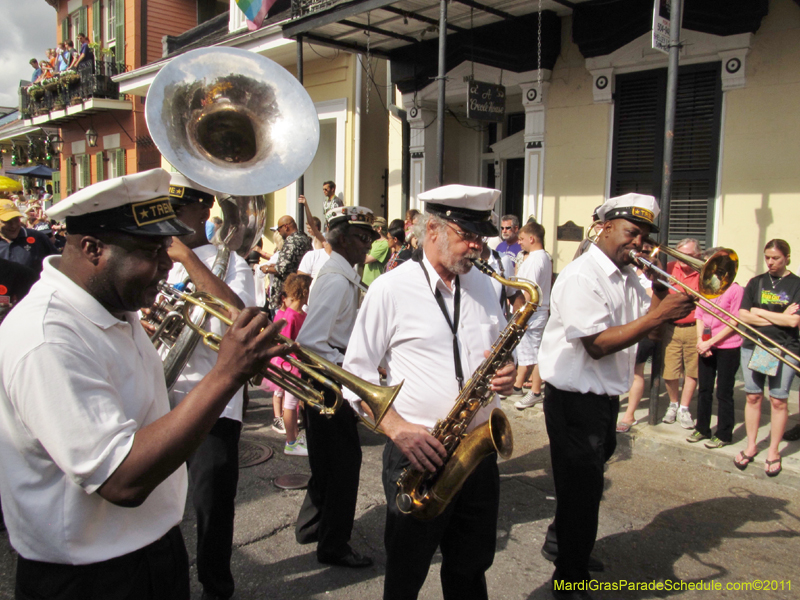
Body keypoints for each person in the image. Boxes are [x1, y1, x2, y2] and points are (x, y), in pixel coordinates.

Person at [0, 169, 286, 600]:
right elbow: (122, 480)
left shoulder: (116, 306)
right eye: (152, 251)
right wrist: (226, 374)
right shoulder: (47, 335)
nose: (168, 265)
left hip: (152, 550)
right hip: (90, 577)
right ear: (93, 249)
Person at [342, 184, 517, 600]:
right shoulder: (391, 288)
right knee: (406, 574)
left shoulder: (483, 286)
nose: (477, 247)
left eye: (481, 236)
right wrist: (398, 429)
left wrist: (506, 373)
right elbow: (355, 375)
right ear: (433, 230)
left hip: (477, 453)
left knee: (471, 570)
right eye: (468, 236)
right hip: (417, 451)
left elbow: (494, 354)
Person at [538, 193, 694, 598]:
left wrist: (661, 289)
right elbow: (598, 344)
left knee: (584, 487)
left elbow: (650, 331)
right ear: (605, 228)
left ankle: (564, 541)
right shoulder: (582, 277)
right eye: (630, 232)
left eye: (643, 236)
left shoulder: (627, 278)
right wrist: (658, 314)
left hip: (605, 401)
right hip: (574, 402)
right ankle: (569, 579)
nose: (637, 243)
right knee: (582, 493)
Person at [163, 173, 256, 600]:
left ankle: (216, 589)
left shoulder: (230, 261)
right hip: (161, 395)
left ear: (203, 210)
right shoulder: (155, 256)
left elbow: (242, 317)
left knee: (211, 507)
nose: (171, 220)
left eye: (178, 211)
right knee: (158, 507)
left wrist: (189, 261)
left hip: (215, 404)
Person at [294, 205, 380, 569]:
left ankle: (311, 525)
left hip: (327, 375)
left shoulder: (343, 274)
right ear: (341, 239)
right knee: (344, 464)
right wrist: (352, 373)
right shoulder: (335, 278)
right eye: (362, 238)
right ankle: (334, 545)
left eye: (371, 239)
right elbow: (312, 341)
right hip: (329, 378)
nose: (368, 246)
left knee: (327, 461)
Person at [735, 239, 800, 477]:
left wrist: (759, 312)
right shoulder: (756, 282)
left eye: (776, 258)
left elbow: (794, 321)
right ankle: (751, 444)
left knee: (778, 400)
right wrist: (778, 316)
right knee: (753, 396)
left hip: (783, 347)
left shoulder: (796, 285)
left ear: (787, 258)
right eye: (767, 258)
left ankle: (773, 450)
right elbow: (743, 316)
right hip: (754, 345)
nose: (771, 262)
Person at [687, 248, 744, 449]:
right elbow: (700, 315)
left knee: (724, 391)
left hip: (728, 346)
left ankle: (724, 433)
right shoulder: (707, 288)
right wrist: (701, 342)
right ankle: (702, 428)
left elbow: (734, 321)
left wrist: (711, 342)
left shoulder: (735, 289)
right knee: (704, 389)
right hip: (707, 343)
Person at [661, 238, 703, 429]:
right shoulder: (669, 267)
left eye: (688, 256)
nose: (682, 260)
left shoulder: (703, 273)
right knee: (670, 370)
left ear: (698, 256)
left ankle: (684, 408)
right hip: (672, 326)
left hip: (695, 327)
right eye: (679, 255)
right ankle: (673, 404)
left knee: (692, 370)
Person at [616, 240, 656, 433]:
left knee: (636, 371)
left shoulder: (651, 276)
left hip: (642, 325)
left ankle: (629, 415)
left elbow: (651, 300)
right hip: (625, 325)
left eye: (645, 251)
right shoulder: (628, 272)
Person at [513, 221, 553, 410]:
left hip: (533, 311)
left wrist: (523, 314)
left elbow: (529, 289)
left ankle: (535, 391)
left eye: (521, 239)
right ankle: (519, 386)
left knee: (535, 353)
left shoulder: (537, 259)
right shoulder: (543, 257)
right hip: (538, 310)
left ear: (532, 238)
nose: (519, 243)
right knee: (528, 351)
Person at [272, 273, 312, 456]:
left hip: (297, 364)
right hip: (291, 366)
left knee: (293, 403)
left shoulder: (299, 313)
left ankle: (294, 437)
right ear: (304, 292)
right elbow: (284, 343)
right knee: (290, 403)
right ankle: (291, 442)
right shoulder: (290, 315)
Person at [264, 215, 312, 316]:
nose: (279, 232)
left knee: (281, 328)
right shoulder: (305, 239)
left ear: (286, 227)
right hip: (298, 293)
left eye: (279, 229)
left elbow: (281, 268)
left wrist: (267, 268)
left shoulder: (291, 240)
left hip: (284, 296)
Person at [0, 200, 57, 274]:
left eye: (16, 220)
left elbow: (58, 263)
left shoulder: (38, 238)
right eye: (8, 221)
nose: (13, 225)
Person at [362, 216, 389, 286]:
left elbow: (366, 259)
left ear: (379, 228)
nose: (371, 230)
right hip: (366, 284)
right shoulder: (374, 242)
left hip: (375, 284)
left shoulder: (385, 244)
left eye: (373, 227)